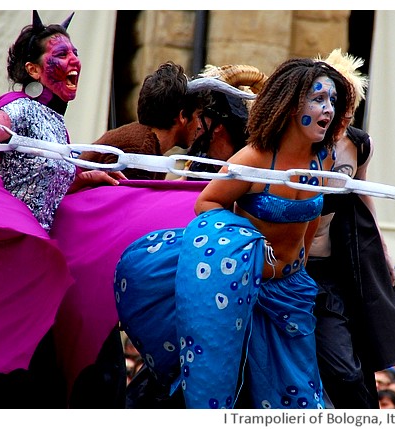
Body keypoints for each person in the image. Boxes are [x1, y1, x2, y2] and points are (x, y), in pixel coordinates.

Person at [113, 57, 355, 408]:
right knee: (227, 388)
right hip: (240, 289)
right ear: (290, 106)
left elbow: (312, 215)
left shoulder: (324, 160)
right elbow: (206, 204)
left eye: (332, 101)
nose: (328, 109)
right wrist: (247, 246)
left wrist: (301, 262)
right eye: (318, 99)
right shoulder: (253, 160)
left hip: (291, 294)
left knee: (298, 396)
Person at [0, 10, 124, 408]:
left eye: (75, 53)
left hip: (35, 263)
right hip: (11, 256)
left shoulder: (56, 123)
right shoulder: (21, 108)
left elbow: (36, 178)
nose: (74, 61)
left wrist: (81, 179)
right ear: (34, 70)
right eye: (61, 54)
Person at [306, 48, 395, 409]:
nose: (337, 111)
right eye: (331, 101)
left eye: (346, 104)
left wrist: (382, 250)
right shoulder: (299, 145)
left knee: (349, 369)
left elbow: (365, 200)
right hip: (290, 267)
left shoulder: (359, 145)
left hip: (332, 270)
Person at [77, 61, 212, 180]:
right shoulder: (139, 151)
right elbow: (128, 207)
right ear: (182, 116)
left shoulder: (147, 146)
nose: (200, 125)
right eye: (198, 116)